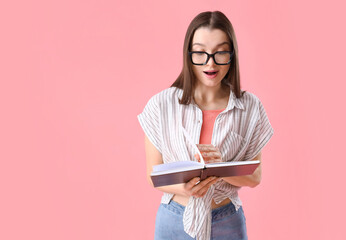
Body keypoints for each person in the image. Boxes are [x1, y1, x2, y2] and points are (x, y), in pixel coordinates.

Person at [137, 11, 274, 240]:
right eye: (200, 53)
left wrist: (222, 167)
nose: (210, 63)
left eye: (220, 52)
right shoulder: (161, 105)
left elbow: (255, 176)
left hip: (227, 221)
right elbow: (153, 174)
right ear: (188, 54)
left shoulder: (250, 107)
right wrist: (184, 189)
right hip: (174, 221)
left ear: (232, 55)